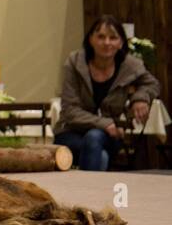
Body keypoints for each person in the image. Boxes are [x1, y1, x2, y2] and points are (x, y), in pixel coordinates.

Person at [53, 14, 161, 171]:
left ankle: (86, 191)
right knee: (99, 153)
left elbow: (152, 84)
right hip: (71, 131)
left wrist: (140, 98)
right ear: (91, 39)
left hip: (109, 136)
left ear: (121, 42)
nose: (107, 43)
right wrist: (104, 123)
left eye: (113, 38)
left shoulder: (130, 66)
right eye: (101, 37)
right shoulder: (75, 62)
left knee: (94, 139)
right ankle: (94, 189)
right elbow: (70, 110)